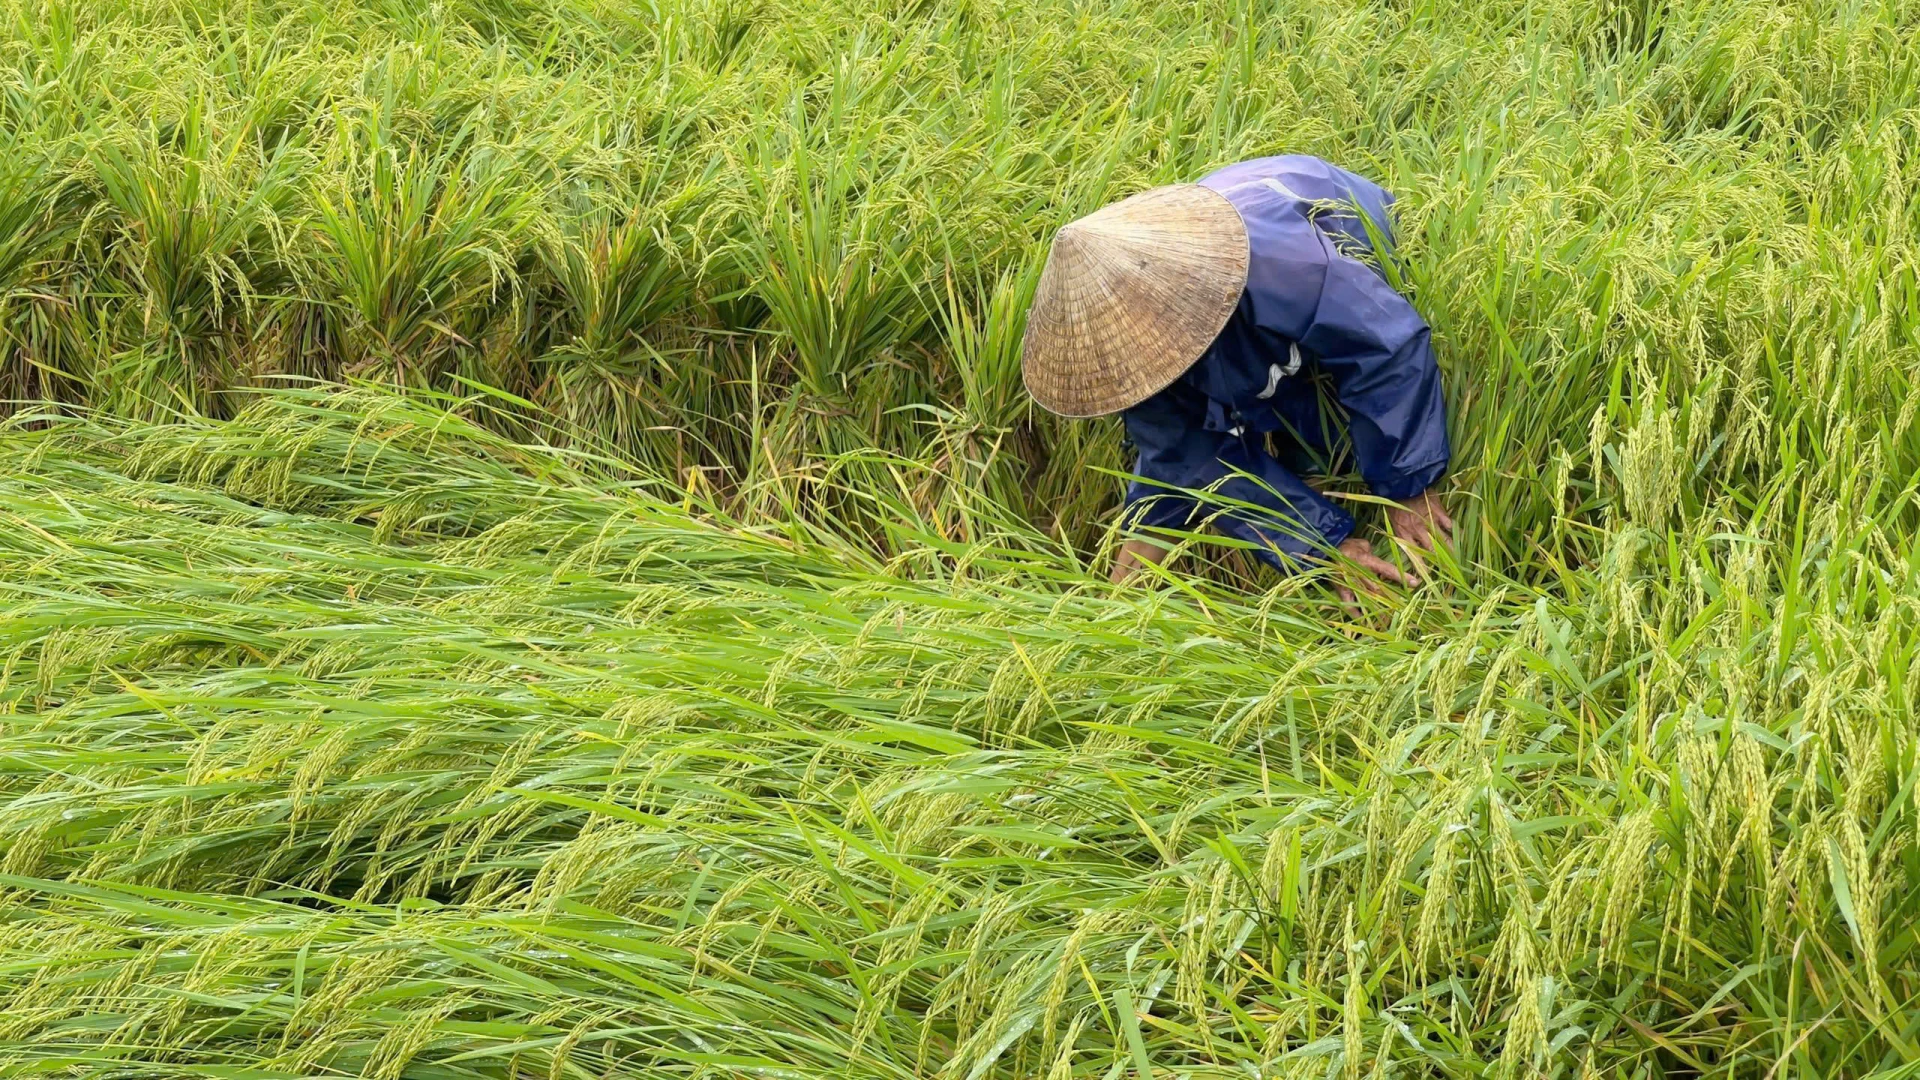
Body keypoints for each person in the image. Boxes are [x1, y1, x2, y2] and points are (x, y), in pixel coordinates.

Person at [1019, 155, 1452, 606]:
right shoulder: (1128, 358)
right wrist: (1323, 550)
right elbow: (1190, 460)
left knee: (1320, 427)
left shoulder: (1290, 269)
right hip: (1254, 305)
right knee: (1252, 436)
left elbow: (1385, 345)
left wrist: (1411, 488)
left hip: (1342, 228)